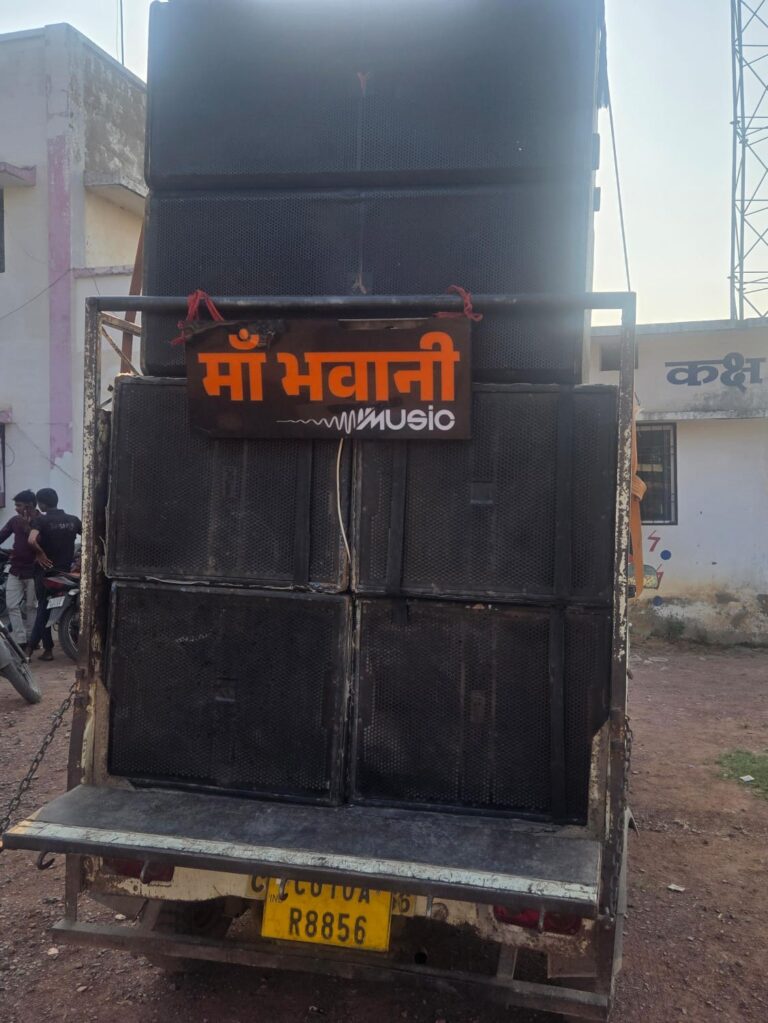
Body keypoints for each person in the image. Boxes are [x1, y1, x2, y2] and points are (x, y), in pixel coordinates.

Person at [27, 488, 82, 661]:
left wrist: (40, 553)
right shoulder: (73, 520)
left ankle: (37, 649)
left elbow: (31, 540)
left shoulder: (40, 520)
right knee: (46, 608)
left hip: (44, 572)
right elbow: (91, 538)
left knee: (43, 608)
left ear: (41, 504)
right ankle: (43, 649)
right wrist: (81, 560)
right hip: (64, 572)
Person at [0, 489, 38, 649]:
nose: (16, 508)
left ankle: (32, 640)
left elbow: (42, 543)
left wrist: (27, 527)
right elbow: (2, 535)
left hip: (34, 570)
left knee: (31, 607)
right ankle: (21, 640)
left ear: (30, 505)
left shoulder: (41, 520)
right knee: (11, 605)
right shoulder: (14, 521)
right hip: (15, 569)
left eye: (19, 505)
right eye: (16, 505)